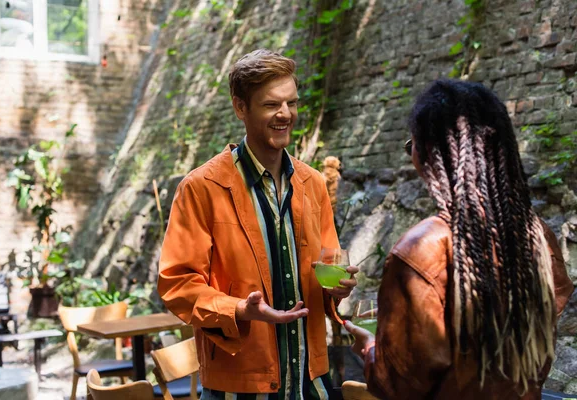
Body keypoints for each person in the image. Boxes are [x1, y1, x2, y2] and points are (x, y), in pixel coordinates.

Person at [345, 79, 574, 400]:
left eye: (412, 145)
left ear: (426, 153)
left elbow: (400, 384)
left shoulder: (420, 250)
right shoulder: (535, 234)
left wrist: (369, 348)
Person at [157, 49, 358, 400]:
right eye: (271, 105)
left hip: (311, 382)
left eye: (291, 103)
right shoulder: (201, 188)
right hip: (238, 387)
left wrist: (336, 289)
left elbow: (327, 266)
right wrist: (238, 309)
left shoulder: (313, 185)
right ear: (240, 108)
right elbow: (177, 285)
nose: (285, 115)